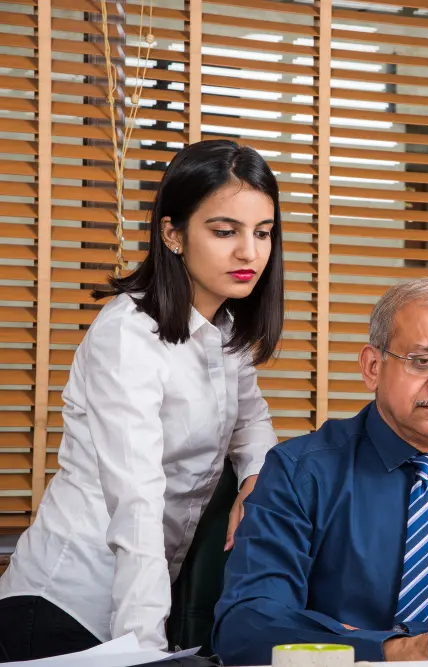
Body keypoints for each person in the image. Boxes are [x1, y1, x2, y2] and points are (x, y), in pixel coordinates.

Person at [0, 139, 284, 661]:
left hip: (141, 600)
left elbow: (252, 423)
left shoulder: (222, 329)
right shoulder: (127, 336)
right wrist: (145, 652)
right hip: (63, 604)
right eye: (225, 231)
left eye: (262, 233)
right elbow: (136, 503)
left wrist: (254, 480)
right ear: (172, 233)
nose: (250, 252)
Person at [212, 278, 428, 665]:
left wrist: (339, 637)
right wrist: (395, 650)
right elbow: (246, 627)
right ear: (373, 367)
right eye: (422, 361)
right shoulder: (299, 471)